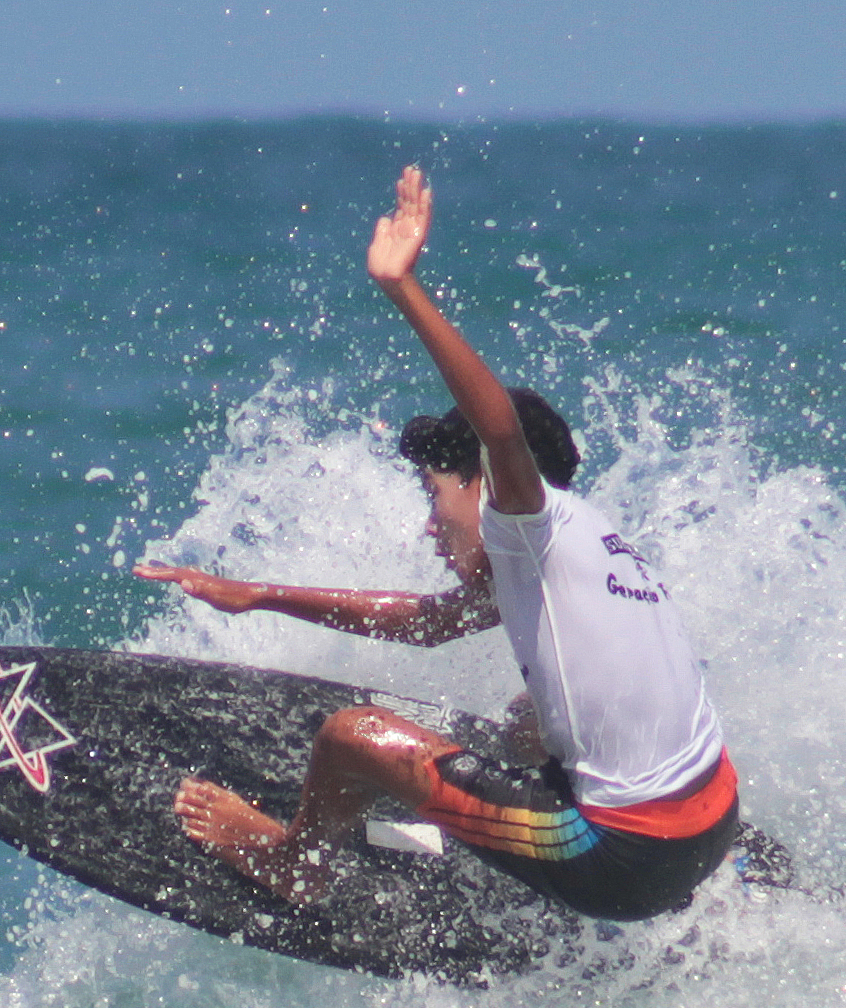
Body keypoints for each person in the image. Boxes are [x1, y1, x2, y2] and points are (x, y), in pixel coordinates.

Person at [137, 165, 739, 923]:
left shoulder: (522, 522)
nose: (429, 524)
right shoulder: (587, 539)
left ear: (485, 485)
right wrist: (260, 595)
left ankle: (294, 864)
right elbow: (421, 623)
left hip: (623, 860)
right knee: (527, 721)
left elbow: (497, 429)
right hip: (712, 826)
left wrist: (402, 288)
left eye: (434, 497)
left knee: (352, 736)